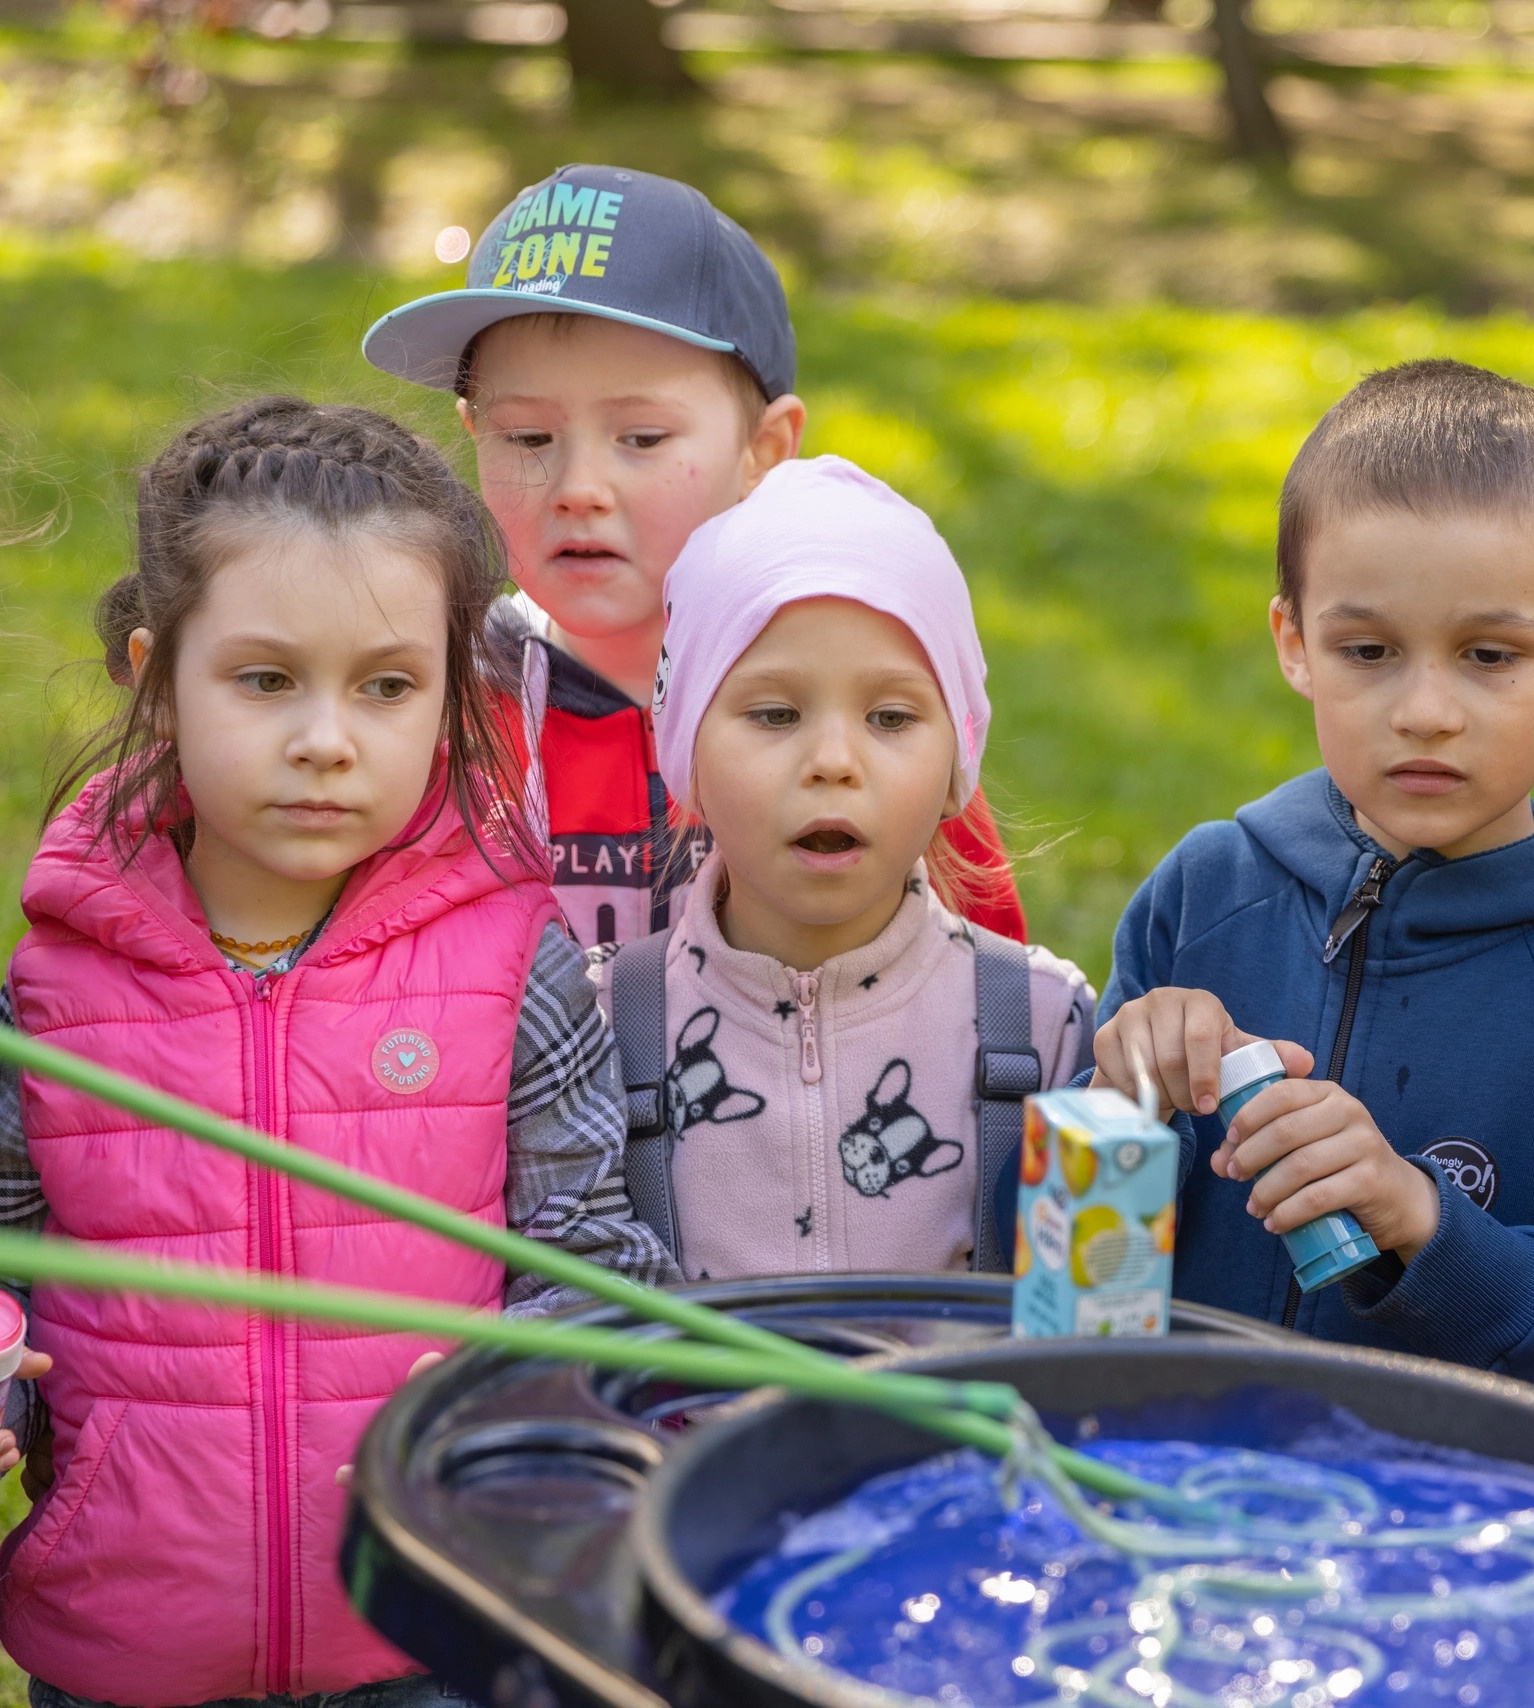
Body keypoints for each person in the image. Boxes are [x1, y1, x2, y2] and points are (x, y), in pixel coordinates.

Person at [0, 397, 677, 1708]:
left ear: (449, 695)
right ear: (154, 673)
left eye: (385, 686)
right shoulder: (56, 988)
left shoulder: (510, 964)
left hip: (432, 1633)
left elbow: (595, 1262)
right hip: (125, 1656)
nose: (327, 738)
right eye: (266, 680)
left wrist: (520, 1386)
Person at [1083, 359, 1534, 1432]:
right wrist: (1115, 1120)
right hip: (1157, 1494)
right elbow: (1073, 1297)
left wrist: (1423, 1220)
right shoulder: (1201, 897)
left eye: (1488, 654)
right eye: (1368, 650)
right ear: (1295, 642)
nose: (1425, 710)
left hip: (1442, 1561)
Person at [360, 163, 1026, 950]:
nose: (578, 488)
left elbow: (991, 1007)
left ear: (764, 451)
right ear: (476, 434)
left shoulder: (873, 717)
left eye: (641, 439)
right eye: (528, 438)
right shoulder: (436, 713)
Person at [600, 455, 1093, 1282]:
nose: (833, 760)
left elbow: (1093, 1344)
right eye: (775, 714)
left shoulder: (1046, 1027)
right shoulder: (597, 1029)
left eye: (891, 717)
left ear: (955, 763)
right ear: (685, 750)